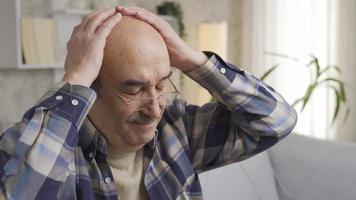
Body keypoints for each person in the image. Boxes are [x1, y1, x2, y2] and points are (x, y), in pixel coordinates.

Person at [0, 6, 297, 200]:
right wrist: (75, 76)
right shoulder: (43, 149)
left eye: (161, 84)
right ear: (90, 89)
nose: (155, 108)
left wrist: (193, 60)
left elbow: (276, 121)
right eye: (134, 89)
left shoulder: (178, 129)